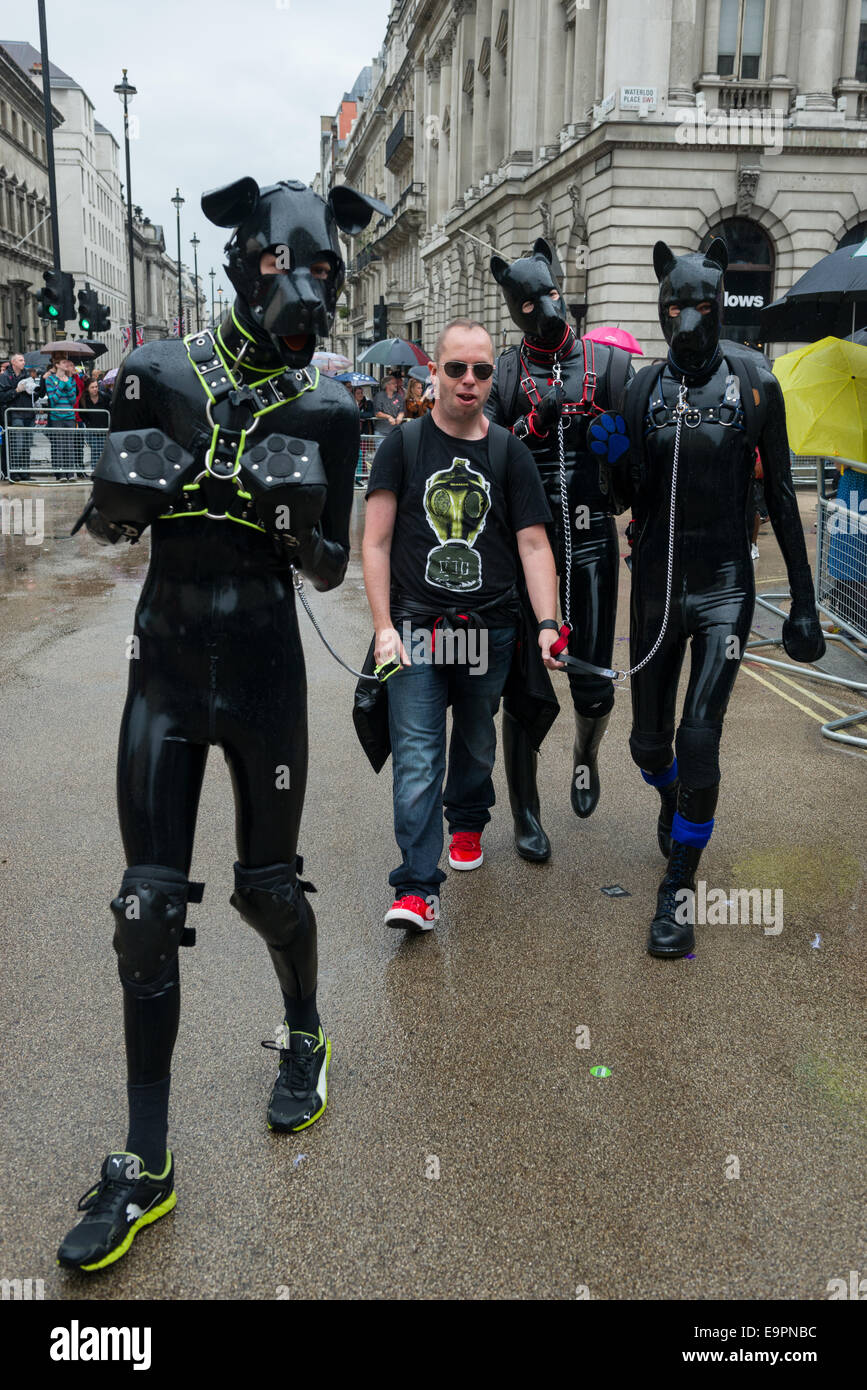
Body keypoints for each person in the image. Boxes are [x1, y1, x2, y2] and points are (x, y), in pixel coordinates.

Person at [57, 173, 390, 1273]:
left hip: (264, 675)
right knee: (143, 909)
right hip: (162, 669)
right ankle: (145, 1165)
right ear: (248, 260)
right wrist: (115, 501)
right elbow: (102, 530)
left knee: (267, 890)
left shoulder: (332, 410)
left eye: (326, 276)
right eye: (286, 268)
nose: (306, 292)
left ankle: (305, 1031)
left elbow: (335, 562)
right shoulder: (153, 376)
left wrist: (305, 531)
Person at [608, 238, 825, 957]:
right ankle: (675, 800)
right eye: (676, 305)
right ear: (661, 306)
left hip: (726, 585)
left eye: (702, 304)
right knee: (648, 746)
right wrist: (610, 458)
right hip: (657, 586)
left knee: (699, 735)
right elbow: (625, 496)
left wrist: (802, 601)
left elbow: (782, 498)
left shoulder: (755, 380)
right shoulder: (641, 388)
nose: (690, 318)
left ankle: (677, 886)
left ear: (722, 301)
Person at [362, 317, 562, 932]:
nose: (469, 380)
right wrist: (381, 626)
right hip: (416, 627)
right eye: (457, 368)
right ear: (435, 373)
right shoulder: (404, 445)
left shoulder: (508, 451)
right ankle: (417, 886)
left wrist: (550, 623)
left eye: (480, 369)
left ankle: (469, 820)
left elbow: (533, 545)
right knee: (418, 753)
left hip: (491, 628)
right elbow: (374, 543)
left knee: (477, 738)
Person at [485, 239, 633, 860]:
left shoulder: (609, 365)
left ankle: (585, 753)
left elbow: (635, 470)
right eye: (528, 301)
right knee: (523, 691)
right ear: (514, 308)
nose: (544, 308)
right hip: (528, 544)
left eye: (548, 293)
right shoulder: (502, 370)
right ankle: (524, 810)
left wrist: (614, 447)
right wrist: (534, 422)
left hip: (593, 540)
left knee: (593, 684)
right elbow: (485, 446)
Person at [0, 352, 37, 479]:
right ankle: (14, 473)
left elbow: (36, 395)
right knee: (17, 445)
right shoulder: (5, 376)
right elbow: (2, 397)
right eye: (21, 360)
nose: (24, 362)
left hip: (28, 414)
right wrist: (16, 391)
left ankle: (25, 473)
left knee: (26, 446)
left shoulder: (27, 374)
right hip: (15, 414)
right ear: (13, 362)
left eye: (23, 360)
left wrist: (33, 390)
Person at [44, 355, 79, 477]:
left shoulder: (71, 380)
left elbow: (73, 400)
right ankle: (60, 475)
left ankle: (70, 474)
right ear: (57, 365)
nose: (66, 364)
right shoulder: (50, 379)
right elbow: (53, 400)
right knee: (58, 446)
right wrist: (61, 385)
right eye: (64, 362)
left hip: (69, 417)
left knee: (70, 446)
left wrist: (68, 385)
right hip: (56, 417)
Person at [373, 372, 404, 437]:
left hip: (395, 431)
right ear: (387, 385)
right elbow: (377, 413)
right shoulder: (379, 396)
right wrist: (389, 417)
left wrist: (400, 416)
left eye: (396, 383)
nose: (396, 385)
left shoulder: (399, 397)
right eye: (393, 383)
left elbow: (402, 410)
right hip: (381, 431)